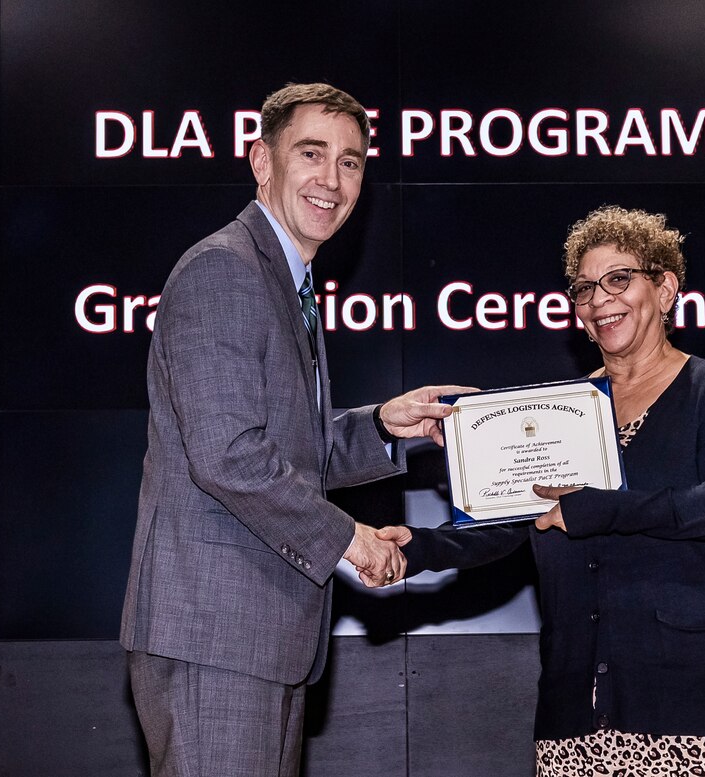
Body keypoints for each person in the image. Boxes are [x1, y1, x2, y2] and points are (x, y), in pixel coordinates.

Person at [119, 82, 467, 777]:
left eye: (351, 161)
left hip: (257, 638)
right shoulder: (225, 269)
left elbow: (284, 443)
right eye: (312, 153)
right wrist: (348, 537)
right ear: (261, 160)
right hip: (214, 636)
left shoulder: (287, 280)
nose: (332, 180)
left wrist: (383, 427)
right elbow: (229, 455)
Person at [378, 205, 705, 776]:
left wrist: (595, 508)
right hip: (577, 689)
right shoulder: (563, 409)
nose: (598, 299)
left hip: (693, 688)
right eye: (584, 288)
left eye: (619, 279)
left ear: (664, 289)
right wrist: (414, 548)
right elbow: (515, 521)